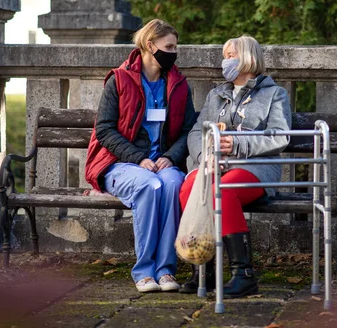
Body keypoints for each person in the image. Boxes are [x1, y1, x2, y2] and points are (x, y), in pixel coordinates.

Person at [85, 19, 196, 293]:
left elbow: (188, 131)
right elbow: (105, 130)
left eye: (175, 47)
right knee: (149, 185)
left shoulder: (179, 85)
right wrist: (138, 158)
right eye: (168, 46)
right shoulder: (120, 80)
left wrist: (170, 156)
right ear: (150, 45)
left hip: (163, 163)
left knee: (171, 184)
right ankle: (144, 271)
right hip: (121, 164)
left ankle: (166, 270)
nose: (173, 52)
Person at [178, 35, 292, 298]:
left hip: (256, 167)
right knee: (188, 189)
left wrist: (237, 145)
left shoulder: (275, 94)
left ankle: (244, 275)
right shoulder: (216, 95)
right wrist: (203, 155)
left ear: (249, 58)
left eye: (231, 55)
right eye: (225, 56)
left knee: (225, 190)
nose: (225, 61)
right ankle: (203, 268)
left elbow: (280, 136)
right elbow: (196, 131)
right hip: (213, 164)